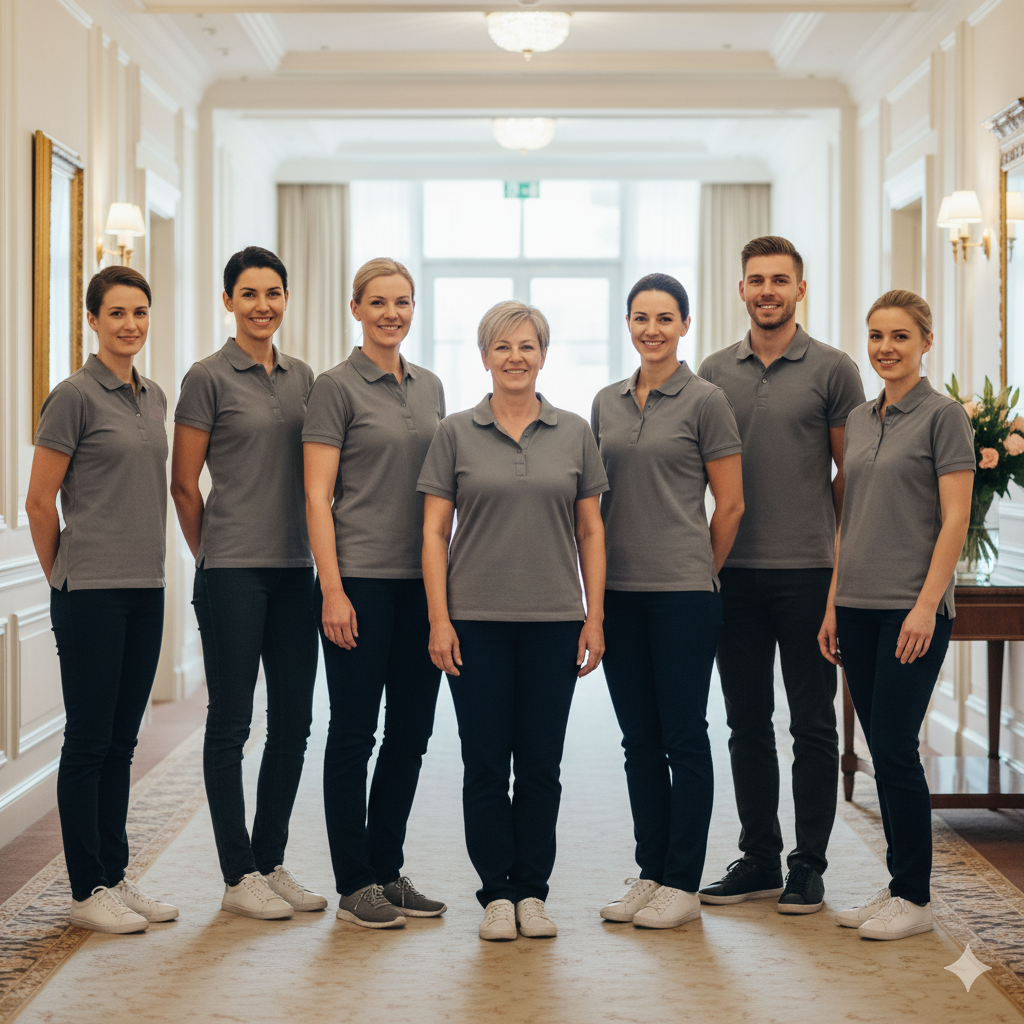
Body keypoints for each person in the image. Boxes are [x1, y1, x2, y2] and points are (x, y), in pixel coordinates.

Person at [419, 299, 608, 941]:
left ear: (544, 355)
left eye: (526, 346)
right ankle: (496, 893)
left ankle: (533, 890)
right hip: (475, 623)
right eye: (502, 347)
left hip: (555, 620)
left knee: (540, 764)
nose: (515, 357)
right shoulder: (454, 432)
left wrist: (594, 616)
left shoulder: (576, 431)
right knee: (483, 762)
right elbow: (434, 532)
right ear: (484, 358)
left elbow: (591, 529)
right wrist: (439, 620)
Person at [697, 236, 865, 914]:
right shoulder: (712, 371)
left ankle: (809, 864)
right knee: (745, 723)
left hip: (808, 573)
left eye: (780, 280)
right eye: (755, 280)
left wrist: (827, 555)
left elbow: (853, 474)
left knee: (812, 725)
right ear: (740, 289)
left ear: (800, 289)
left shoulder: (834, 369)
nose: (767, 290)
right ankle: (760, 856)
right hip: (731, 574)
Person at [171, 246, 325, 920]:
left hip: (298, 573)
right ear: (229, 301)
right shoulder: (206, 376)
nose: (263, 305)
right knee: (231, 723)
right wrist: (215, 554)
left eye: (273, 293)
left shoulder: (305, 378)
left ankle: (270, 859)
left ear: (286, 300)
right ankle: (237, 876)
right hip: (232, 572)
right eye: (250, 294)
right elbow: (183, 483)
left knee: (292, 723)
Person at [26, 265, 178, 933]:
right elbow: (37, 503)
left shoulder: (154, 397)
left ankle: (115, 874)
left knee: (122, 740)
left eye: (139, 312)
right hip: (88, 591)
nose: (130, 324)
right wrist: (64, 574)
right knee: (88, 741)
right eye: (116, 312)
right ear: (92, 320)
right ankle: (86, 889)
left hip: (146, 589)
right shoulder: (73, 396)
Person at [818, 290, 973, 940]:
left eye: (900, 336)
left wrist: (926, 606)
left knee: (894, 747)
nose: (886, 347)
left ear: (925, 343)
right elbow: (847, 518)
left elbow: (956, 518)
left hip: (910, 611)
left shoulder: (944, 417)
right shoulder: (858, 417)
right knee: (880, 746)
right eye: (877, 335)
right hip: (855, 605)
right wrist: (831, 602)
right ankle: (896, 885)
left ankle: (914, 896)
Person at [592, 274, 745, 930]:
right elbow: (594, 506)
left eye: (664, 317)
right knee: (638, 741)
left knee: (684, 736)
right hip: (620, 596)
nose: (651, 328)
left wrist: (699, 571)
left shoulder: (707, 400)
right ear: (627, 324)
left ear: (685, 324)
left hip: (684, 594)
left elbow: (731, 502)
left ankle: (682, 882)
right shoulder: (606, 402)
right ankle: (650, 872)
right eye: (639, 317)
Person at [303, 258, 447, 930]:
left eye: (403, 302)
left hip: (423, 586)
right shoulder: (334, 387)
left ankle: (387, 871)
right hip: (357, 582)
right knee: (354, 734)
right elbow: (316, 494)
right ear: (355, 307)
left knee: (412, 734)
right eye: (379, 302)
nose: (392, 313)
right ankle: (354, 880)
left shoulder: (431, 387)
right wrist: (332, 589)